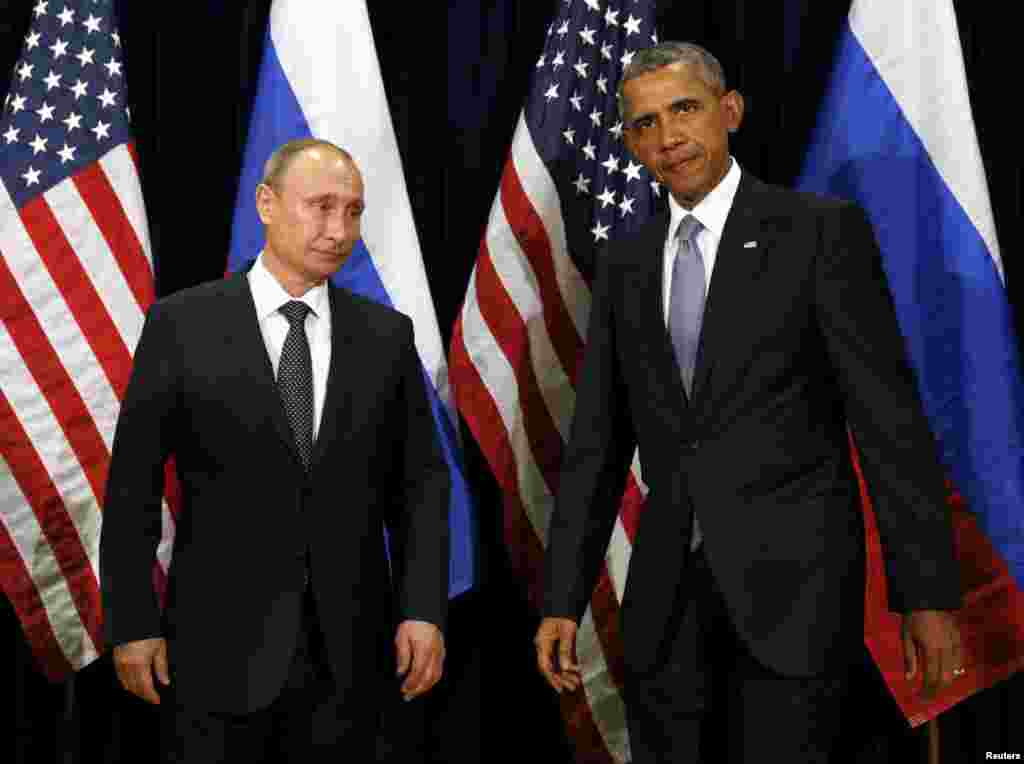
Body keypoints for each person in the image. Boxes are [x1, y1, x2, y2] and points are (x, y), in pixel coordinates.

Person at [534, 42, 963, 763]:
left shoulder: (819, 234)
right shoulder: (626, 264)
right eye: (644, 124)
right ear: (632, 144)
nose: (667, 137)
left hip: (795, 598)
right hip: (665, 604)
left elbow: (889, 424)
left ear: (728, 111)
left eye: (684, 109)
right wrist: (561, 597)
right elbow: (597, 446)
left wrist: (926, 595)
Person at [100, 138, 449, 762]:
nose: (339, 229)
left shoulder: (385, 336)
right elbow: (132, 487)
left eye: (353, 211)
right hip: (213, 654)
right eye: (321, 206)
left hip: (351, 659)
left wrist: (423, 608)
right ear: (266, 203)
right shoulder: (182, 325)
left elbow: (421, 485)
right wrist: (131, 623)